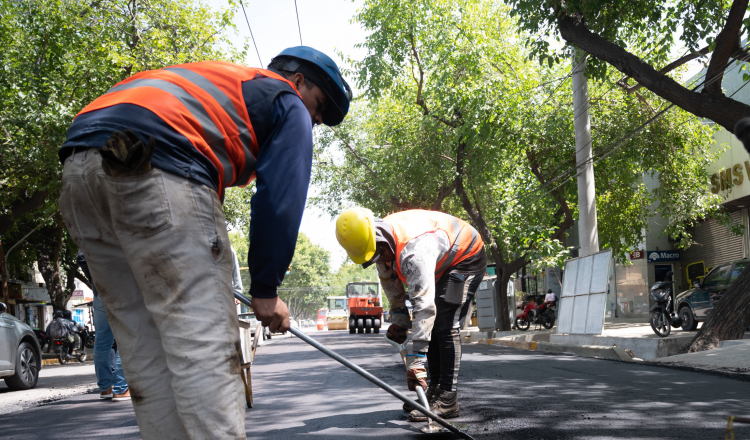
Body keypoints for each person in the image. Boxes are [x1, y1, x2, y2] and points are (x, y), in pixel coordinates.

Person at [58, 46, 352, 439]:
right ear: (298, 81)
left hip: (78, 171)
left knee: (145, 351)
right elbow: (281, 198)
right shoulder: (286, 99)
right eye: (319, 107)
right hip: (157, 158)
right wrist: (266, 290)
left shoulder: (215, 84)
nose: (314, 120)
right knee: (204, 347)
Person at [335, 208, 486, 421]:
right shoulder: (380, 243)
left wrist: (416, 361)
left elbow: (424, 308)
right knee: (433, 324)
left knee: (444, 322)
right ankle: (434, 390)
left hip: (465, 256)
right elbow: (390, 284)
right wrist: (400, 320)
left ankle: (448, 398)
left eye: (380, 256)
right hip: (440, 261)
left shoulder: (414, 252)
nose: (381, 261)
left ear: (381, 241)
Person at [78, 250, 130, 402]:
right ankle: (121, 388)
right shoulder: (118, 235)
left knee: (102, 340)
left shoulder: (92, 235)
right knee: (125, 338)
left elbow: (81, 256)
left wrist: (95, 280)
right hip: (122, 289)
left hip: (100, 290)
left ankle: (106, 388)